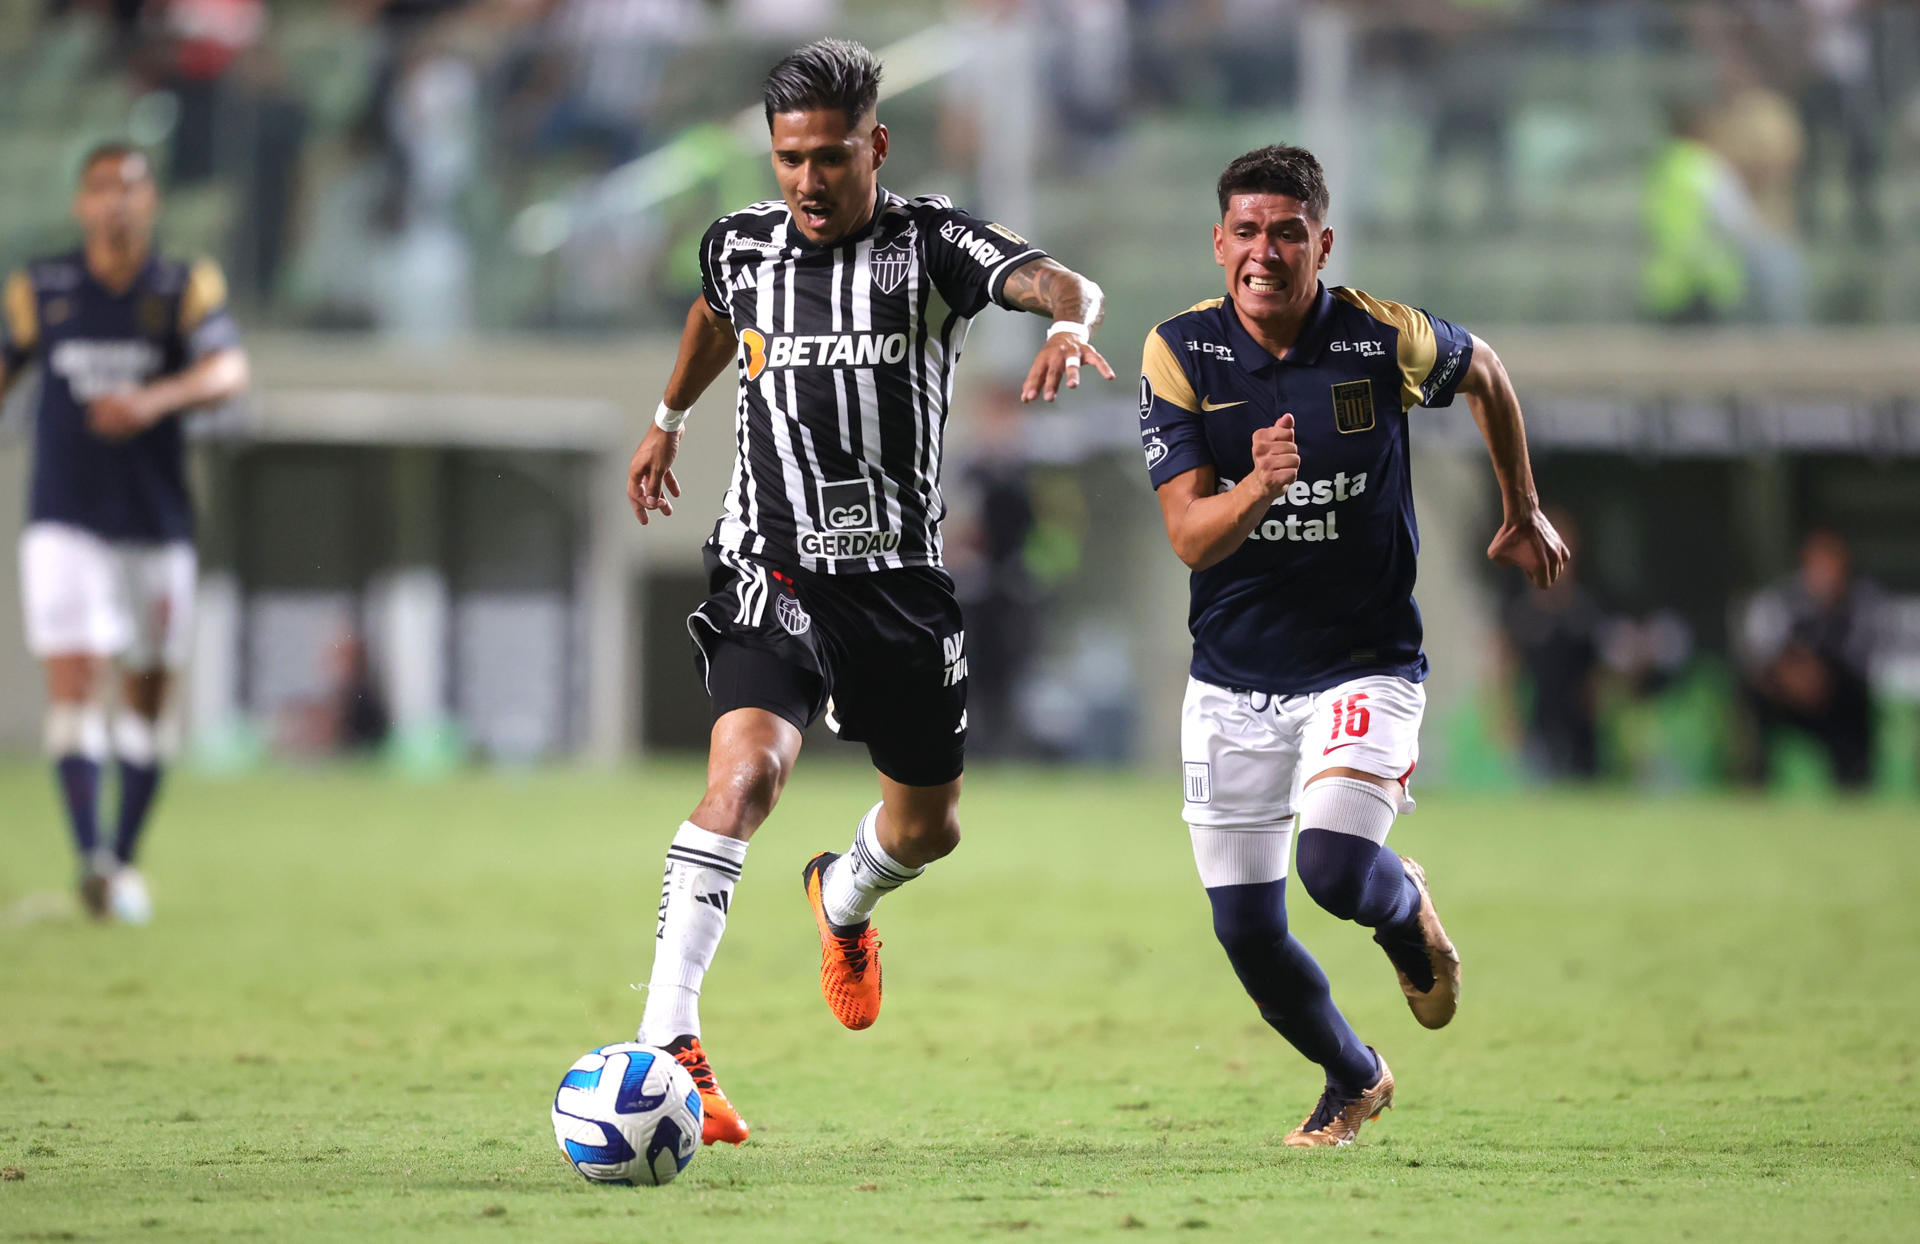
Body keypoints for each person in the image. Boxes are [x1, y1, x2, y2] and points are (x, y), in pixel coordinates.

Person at [622, 39, 1112, 1147]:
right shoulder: (740, 243)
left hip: (898, 583)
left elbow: (1054, 280)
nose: (807, 180)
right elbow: (713, 310)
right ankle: (670, 1040)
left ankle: (843, 895)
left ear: (875, 146)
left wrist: (1072, 322)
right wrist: (667, 419)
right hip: (769, 561)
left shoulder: (930, 244)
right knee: (744, 774)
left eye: (831, 157)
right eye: (790, 157)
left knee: (927, 828)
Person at [1137, 144, 1566, 1147]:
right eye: (1247, 230)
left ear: (1321, 242)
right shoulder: (1180, 353)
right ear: (1219, 242)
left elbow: (1488, 370)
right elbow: (1189, 535)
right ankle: (1354, 1074)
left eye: (1288, 231)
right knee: (1244, 928)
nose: (1266, 251)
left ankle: (1402, 902)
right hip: (1233, 676)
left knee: (1332, 864)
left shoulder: (1381, 337)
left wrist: (1523, 507)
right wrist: (1256, 486)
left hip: (1363, 660)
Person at [0, 143, 250, 922]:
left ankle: (122, 860)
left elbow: (228, 372)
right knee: (75, 683)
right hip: (64, 519)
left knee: (145, 700)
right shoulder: (41, 288)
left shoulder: (183, 286)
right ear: (80, 204)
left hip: (154, 522)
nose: (116, 203)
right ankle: (93, 860)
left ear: (152, 204)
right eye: (102, 188)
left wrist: (151, 402)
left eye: (131, 189)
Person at [1737, 529, 1881, 791]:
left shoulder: (1861, 601)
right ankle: (1753, 784)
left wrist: (1821, 676)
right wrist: (1794, 676)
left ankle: (1854, 787)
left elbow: (1862, 658)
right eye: (1820, 565)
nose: (1827, 574)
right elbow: (1759, 653)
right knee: (1750, 694)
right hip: (1786, 697)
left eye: (1834, 566)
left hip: (1837, 702)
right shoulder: (1780, 600)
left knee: (1858, 701)